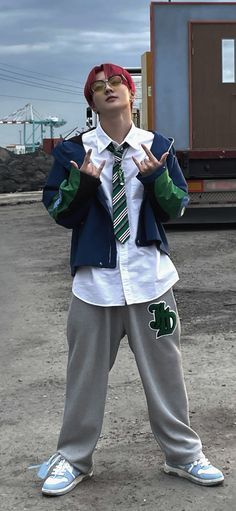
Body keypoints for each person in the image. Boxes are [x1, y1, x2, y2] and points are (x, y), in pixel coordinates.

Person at [38, 63, 224, 496]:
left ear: (132, 93)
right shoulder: (73, 151)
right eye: (98, 87)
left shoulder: (157, 146)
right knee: (83, 376)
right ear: (91, 101)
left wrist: (156, 177)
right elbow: (59, 213)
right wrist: (81, 185)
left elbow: (176, 207)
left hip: (151, 281)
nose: (108, 90)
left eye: (116, 83)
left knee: (166, 372)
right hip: (94, 286)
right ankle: (73, 457)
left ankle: (182, 454)